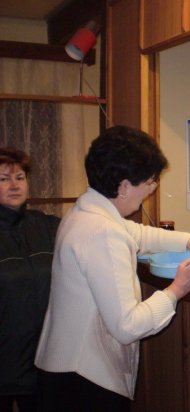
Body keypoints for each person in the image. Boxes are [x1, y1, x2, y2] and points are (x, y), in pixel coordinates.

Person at [35, 126, 190, 412]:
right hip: (83, 380)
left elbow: (139, 235)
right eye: (148, 183)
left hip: (65, 370)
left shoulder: (85, 213)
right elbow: (128, 326)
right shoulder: (102, 231)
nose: (150, 190)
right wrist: (177, 288)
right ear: (123, 187)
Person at [0, 148, 61, 412]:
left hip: (43, 360)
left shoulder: (47, 226)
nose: (14, 185)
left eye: (20, 177)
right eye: (4, 179)